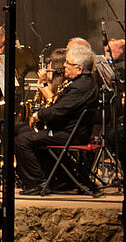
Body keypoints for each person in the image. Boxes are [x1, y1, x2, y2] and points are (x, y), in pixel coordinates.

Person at [15, 45, 99, 194]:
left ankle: (37, 183)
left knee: (22, 141)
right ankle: (57, 177)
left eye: (69, 63)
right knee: (21, 131)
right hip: (66, 130)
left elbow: (59, 111)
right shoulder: (81, 82)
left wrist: (38, 115)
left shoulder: (81, 86)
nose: (64, 65)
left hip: (69, 134)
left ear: (79, 69)